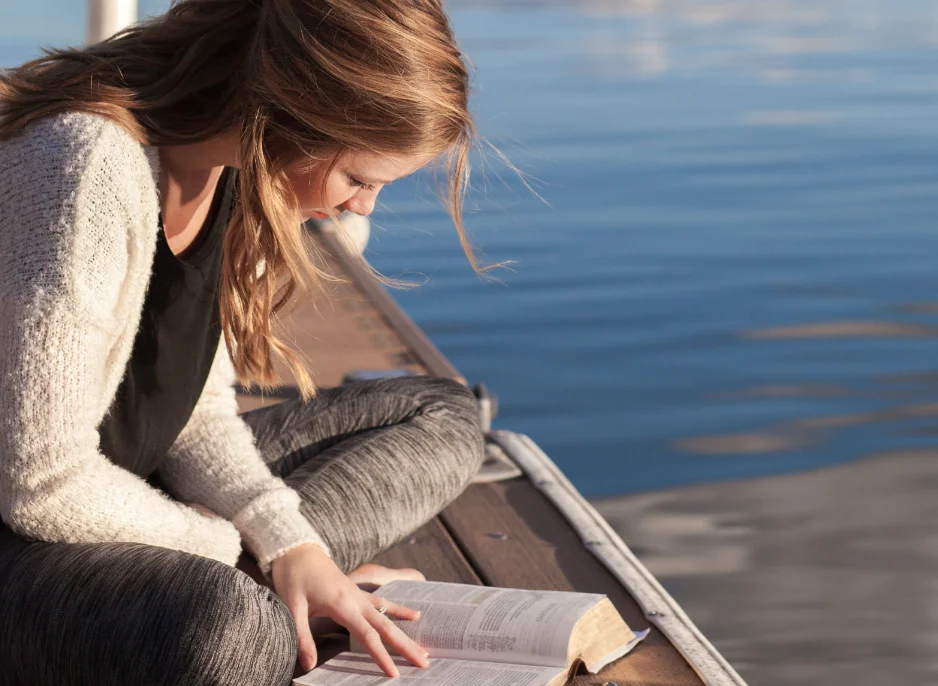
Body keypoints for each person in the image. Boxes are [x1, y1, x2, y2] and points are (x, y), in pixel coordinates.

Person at [0, 1, 485, 684]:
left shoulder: (240, 175)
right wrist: (236, 550)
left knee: (444, 418)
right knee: (232, 630)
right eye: (359, 179)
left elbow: (192, 414)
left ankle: (291, 589)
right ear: (291, 115)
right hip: (24, 546)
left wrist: (292, 544)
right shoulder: (84, 170)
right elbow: (41, 485)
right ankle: (268, 600)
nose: (363, 208)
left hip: (133, 496)